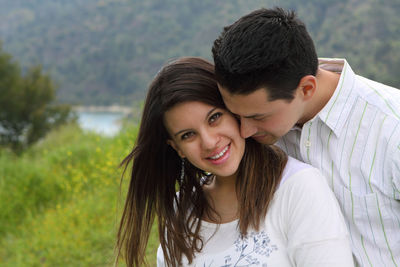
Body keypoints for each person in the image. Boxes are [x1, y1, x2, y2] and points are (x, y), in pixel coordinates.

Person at [114, 57, 353, 266]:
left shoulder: (299, 188)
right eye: (188, 135)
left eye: (214, 118)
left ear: (236, 110)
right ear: (178, 149)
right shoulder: (181, 211)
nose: (208, 142)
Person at [212, 7, 400, 267]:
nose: (244, 132)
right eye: (236, 115)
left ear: (307, 88)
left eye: (258, 117)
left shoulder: (392, 130)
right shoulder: (248, 137)